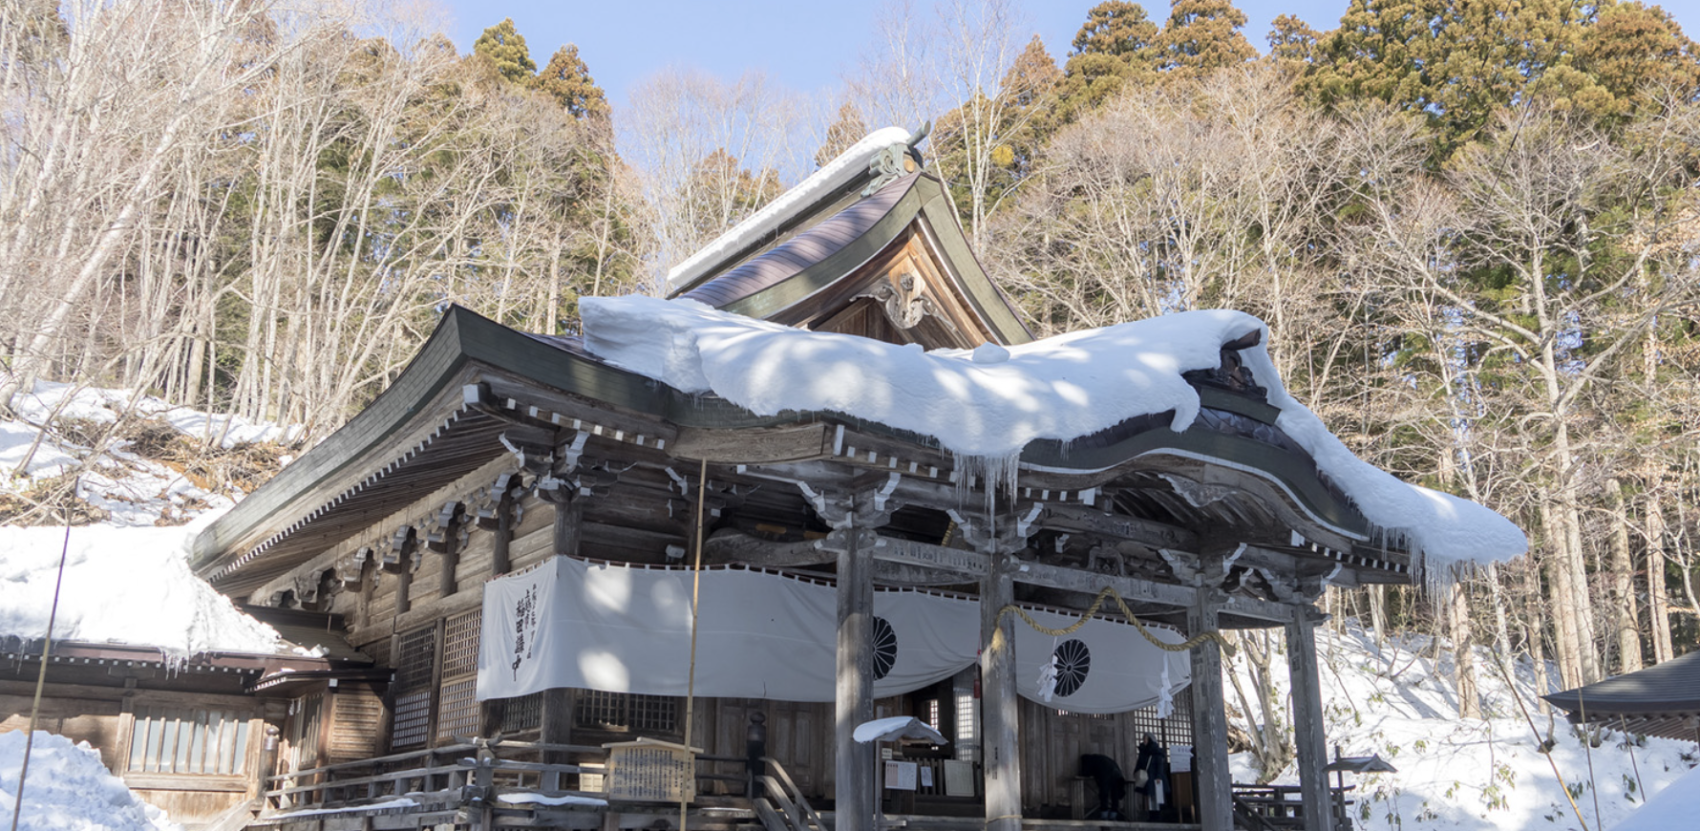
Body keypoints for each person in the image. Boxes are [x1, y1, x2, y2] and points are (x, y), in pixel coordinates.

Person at [1133, 733, 1170, 821]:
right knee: (1149, 798)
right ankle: (1151, 816)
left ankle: (1156, 817)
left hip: (1155, 777)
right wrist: (1136, 772)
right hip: (1147, 778)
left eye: (1146, 739)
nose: (1144, 741)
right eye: (1144, 739)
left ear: (1150, 740)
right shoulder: (1143, 751)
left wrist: (1158, 777)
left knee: (1156, 798)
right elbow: (1140, 764)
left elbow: (1159, 766)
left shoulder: (1156, 752)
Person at [1078, 753, 1126, 820]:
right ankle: (1113, 815)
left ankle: (1104, 815)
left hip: (1107, 774)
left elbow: (1086, 773)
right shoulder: (1102, 759)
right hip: (1117, 774)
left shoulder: (1092, 760)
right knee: (1114, 795)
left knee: (1104, 794)